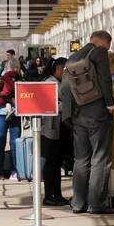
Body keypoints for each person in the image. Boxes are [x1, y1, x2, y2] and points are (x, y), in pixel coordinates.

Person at [61, 31, 114, 214]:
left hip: (78, 116)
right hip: (97, 115)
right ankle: (96, 204)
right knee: (101, 159)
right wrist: (110, 104)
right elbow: (104, 79)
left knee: (81, 160)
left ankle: (78, 204)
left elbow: (65, 88)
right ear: (103, 42)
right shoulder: (99, 52)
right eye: (108, 47)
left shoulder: (73, 57)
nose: (107, 50)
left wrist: (69, 115)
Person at [39, 57, 69, 206]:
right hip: (50, 130)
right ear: (58, 68)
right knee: (51, 163)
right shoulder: (49, 84)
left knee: (57, 163)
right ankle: (49, 195)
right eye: (65, 70)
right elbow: (51, 106)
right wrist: (68, 104)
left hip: (60, 129)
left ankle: (57, 194)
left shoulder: (59, 83)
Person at [0, 64, 22, 180]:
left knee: (1, 142)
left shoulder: (4, 79)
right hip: (14, 112)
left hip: (1, 113)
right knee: (14, 142)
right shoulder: (18, 79)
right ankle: (14, 171)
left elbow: (2, 95)